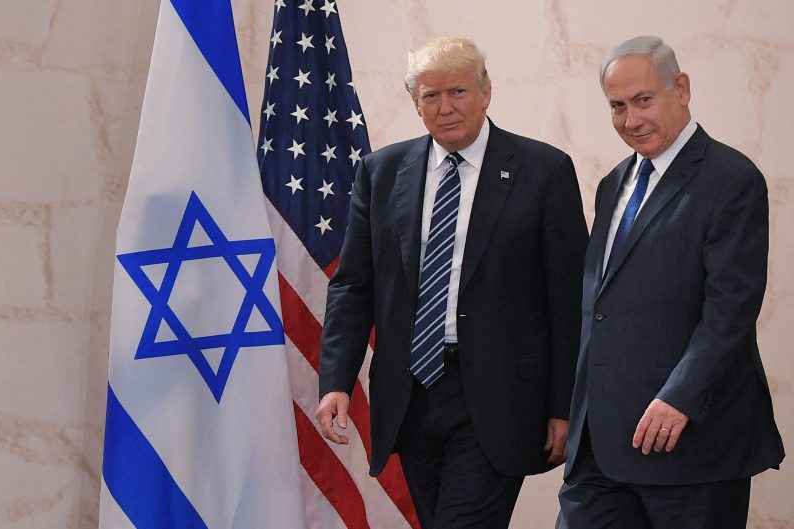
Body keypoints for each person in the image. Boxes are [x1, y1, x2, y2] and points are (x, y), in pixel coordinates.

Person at [316, 37, 588, 528]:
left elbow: (569, 300)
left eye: (458, 92)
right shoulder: (381, 172)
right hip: (411, 395)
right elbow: (354, 286)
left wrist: (565, 403)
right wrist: (336, 380)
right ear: (415, 103)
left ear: (486, 93)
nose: (446, 108)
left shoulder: (544, 171)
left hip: (500, 397)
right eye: (431, 96)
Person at [557, 35, 785, 529]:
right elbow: (599, 306)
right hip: (601, 447)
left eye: (643, 100)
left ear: (680, 88)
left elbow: (731, 309)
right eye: (617, 106)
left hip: (689, 445)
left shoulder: (732, 179)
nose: (630, 120)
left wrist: (679, 395)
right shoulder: (613, 182)